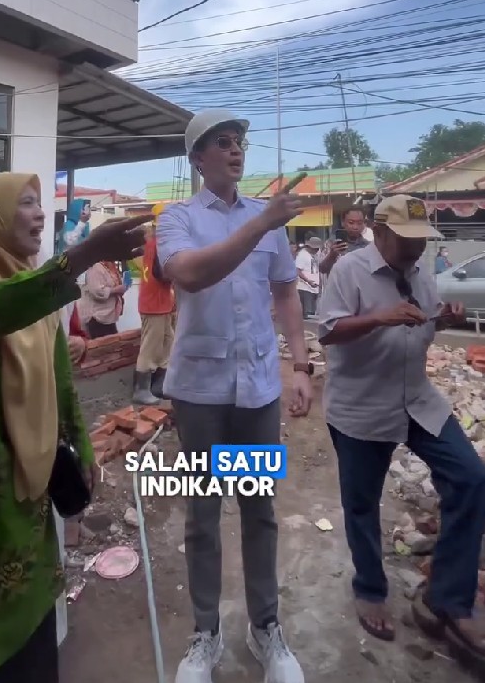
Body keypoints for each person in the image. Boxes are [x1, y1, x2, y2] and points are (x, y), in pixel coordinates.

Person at [0, 172, 148, 683]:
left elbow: (59, 381)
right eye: (26, 205)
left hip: (30, 482)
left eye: (40, 204)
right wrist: (80, 255)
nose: (40, 214)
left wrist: (84, 447)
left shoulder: (39, 295)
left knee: (31, 616)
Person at [157, 108, 311, 683]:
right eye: (223, 143)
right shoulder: (177, 218)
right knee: (201, 513)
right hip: (199, 393)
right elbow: (192, 274)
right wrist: (262, 223)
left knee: (258, 509)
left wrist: (300, 364)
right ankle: (206, 634)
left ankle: (265, 627)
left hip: (259, 389)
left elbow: (287, 294)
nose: (236, 150)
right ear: (198, 159)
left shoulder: (268, 221)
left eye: (240, 142)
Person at [318, 193, 485, 670]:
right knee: (362, 503)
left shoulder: (421, 274)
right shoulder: (350, 271)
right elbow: (327, 330)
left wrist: (445, 317)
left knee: (471, 479)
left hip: (418, 400)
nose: (416, 250)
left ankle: (448, 596)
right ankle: (370, 590)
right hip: (362, 406)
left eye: (421, 241)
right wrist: (379, 317)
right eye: (407, 240)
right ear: (381, 231)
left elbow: (425, 329)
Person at [134, 211, 175, 405]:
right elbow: (162, 273)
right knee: (150, 347)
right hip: (154, 304)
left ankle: (160, 384)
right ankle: (141, 390)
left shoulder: (154, 243)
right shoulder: (158, 245)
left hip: (160, 302)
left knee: (168, 341)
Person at [318, 205, 369, 279]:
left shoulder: (368, 247)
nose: (355, 227)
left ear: (364, 224)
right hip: (337, 289)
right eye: (351, 222)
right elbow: (322, 269)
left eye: (359, 223)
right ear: (343, 222)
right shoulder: (330, 244)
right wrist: (332, 256)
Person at [79, 259, 126, 339]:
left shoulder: (110, 267)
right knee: (103, 348)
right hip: (97, 318)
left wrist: (122, 289)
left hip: (108, 317)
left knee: (113, 346)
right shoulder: (95, 267)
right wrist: (116, 290)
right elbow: (97, 291)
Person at [295, 237, 322, 318]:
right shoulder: (302, 255)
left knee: (312, 312)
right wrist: (308, 281)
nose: (317, 250)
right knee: (308, 313)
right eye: (315, 248)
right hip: (305, 287)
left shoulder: (315, 255)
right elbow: (297, 270)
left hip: (314, 287)